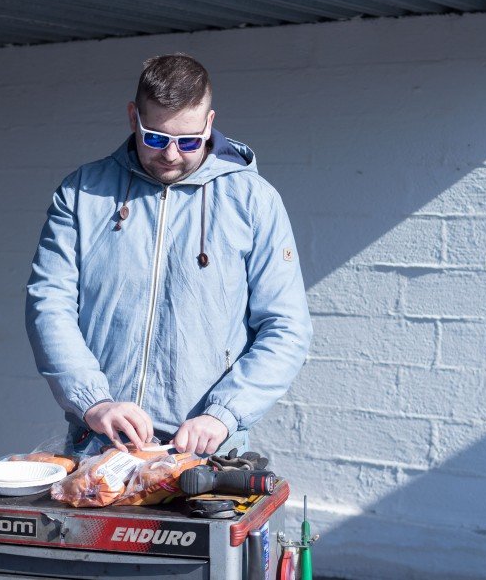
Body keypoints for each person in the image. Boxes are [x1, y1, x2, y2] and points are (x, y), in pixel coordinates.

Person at [26, 53, 312, 457]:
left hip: (207, 452)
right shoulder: (81, 193)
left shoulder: (254, 202)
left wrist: (223, 414)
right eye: (156, 138)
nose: (172, 154)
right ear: (133, 118)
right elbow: (48, 305)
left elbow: (287, 327)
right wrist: (93, 401)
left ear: (210, 123)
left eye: (189, 141)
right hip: (100, 446)